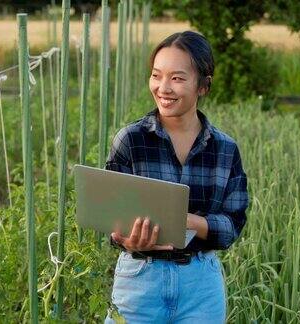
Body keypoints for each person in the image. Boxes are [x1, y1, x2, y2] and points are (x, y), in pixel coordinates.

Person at [104, 31, 249, 323]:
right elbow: (111, 216)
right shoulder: (130, 140)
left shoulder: (225, 149)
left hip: (200, 286)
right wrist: (128, 240)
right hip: (139, 280)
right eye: (156, 76)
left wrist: (189, 222)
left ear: (203, 86)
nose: (163, 88)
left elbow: (234, 222)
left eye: (177, 78)